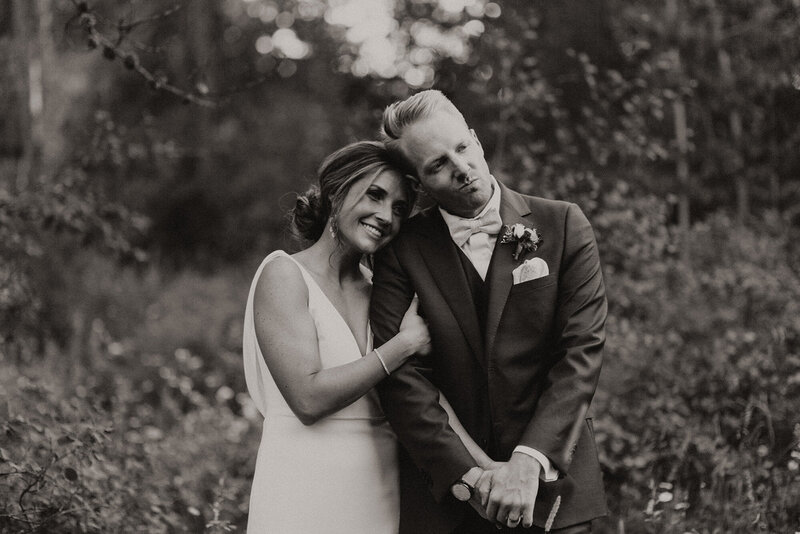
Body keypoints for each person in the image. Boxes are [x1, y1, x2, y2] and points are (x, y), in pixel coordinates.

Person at [370, 90, 608, 534]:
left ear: (476, 140)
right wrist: (471, 477)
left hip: (557, 491)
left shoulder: (563, 224)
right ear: (418, 183)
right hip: (450, 501)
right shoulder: (400, 252)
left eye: (461, 148)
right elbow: (403, 382)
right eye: (437, 165)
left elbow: (581, 353)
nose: (460, 168)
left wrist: (527, 462)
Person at [242, 140, 493, 534]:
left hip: (377, 490)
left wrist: (483, 467)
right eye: (375, 195)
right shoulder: (285, 275)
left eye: (398, 208)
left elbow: (422, 393)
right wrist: (402, 346)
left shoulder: (383, 291)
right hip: (299, 489)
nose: (385, 216)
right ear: (336, 192)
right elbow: (308, 399)